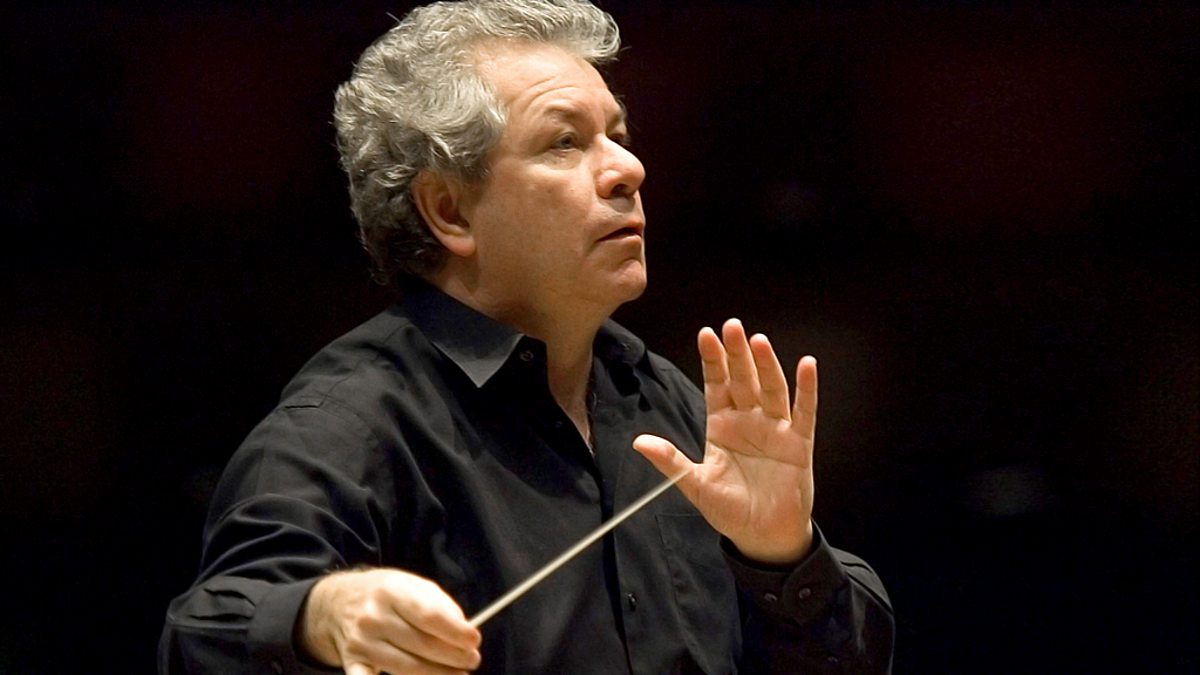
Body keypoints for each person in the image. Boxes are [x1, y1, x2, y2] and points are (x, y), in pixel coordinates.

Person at [159, 1, 894, 673]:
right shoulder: (349, 424)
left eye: (618, 136)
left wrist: (783, 557)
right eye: (565, 142)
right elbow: (205, 634)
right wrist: (324, 616)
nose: (629, 168)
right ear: (450, 211)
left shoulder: (670, 406)